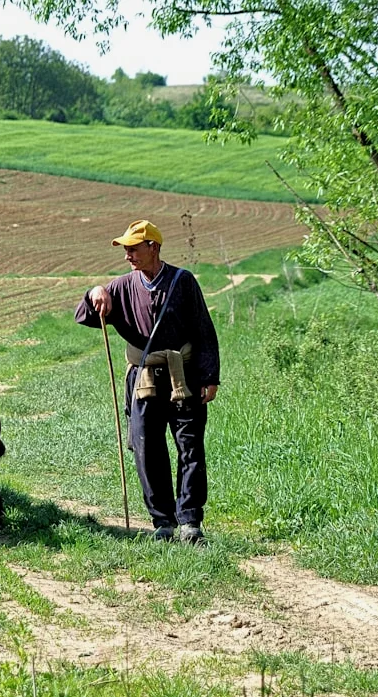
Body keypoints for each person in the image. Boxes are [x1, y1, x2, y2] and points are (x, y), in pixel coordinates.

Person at [74, 220, 219, 544]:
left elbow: (203, 330)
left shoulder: (183, 282)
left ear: (153, 247)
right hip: (144, 380)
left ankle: (190, 522)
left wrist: (209, 376)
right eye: (125, 250)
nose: (128, 256)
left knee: (190, 449)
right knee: (146, 449)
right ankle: (162, 523)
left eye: (133, 249)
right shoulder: (122, 287)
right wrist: (93, 293)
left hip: (185, 376)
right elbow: (84, 316)